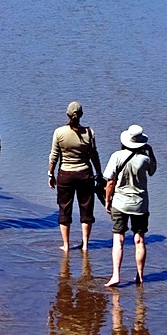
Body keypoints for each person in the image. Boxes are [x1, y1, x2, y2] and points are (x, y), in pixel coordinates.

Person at [103, 125, 157, 287]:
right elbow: (152, 170)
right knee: (139, 239)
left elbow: (110, 182)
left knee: (118, 239)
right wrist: (150, 152)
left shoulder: (117, 156)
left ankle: (116, 275)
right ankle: (140, 275)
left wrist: (107, 200)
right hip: (140, 204)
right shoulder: (145, 159)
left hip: (120, 202)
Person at [49, 101, 101, 252]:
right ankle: (85, 245)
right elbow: (94, 155)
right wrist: (99, 173)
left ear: (67, 114)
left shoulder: (59, 133)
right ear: (81, 114)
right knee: (86, 208)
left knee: (64, 208)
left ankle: (66, 245)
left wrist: (50, 174)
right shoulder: (89, 132)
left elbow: (54, 156)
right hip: (85, 174)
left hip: (65, 174)